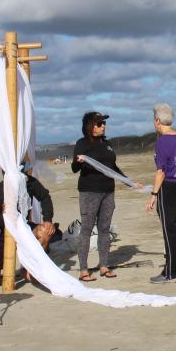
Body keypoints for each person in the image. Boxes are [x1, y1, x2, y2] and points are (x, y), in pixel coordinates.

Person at [0, 161, 56, 287]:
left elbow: (45, 197)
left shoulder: (30, 183)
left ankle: (29, 268)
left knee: (45, 231)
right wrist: (7, 216)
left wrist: (48, 220)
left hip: (22, 228)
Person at [73, 111, 124, 281]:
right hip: (89, 192)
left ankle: (104, 266)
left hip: (108, 191)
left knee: (104, 229)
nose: (103, 126)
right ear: (90, 126)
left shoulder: (107, 144)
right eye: (99, 123)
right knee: (86, 229)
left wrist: (129, 181)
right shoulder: (82, 143)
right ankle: (83, 270)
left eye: (103, 123)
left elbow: (113, 167)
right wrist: (77, 162)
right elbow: (74, 169)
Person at [146, 103, 176, 283]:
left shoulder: (162, 142)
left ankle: (170, 272)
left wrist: (154, 194)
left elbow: (161, 171)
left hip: (170, 188)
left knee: (170, 229)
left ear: (157, 121)